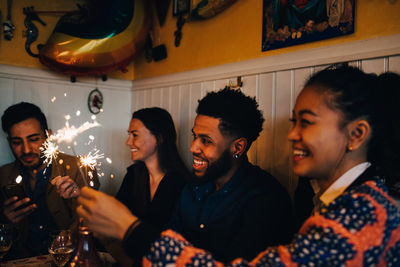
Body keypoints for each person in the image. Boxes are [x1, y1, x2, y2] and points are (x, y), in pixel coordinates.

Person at [143, 65, 400, 266]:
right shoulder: (329, 198)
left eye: (307, 122)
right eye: (294, 122)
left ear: (356, 135)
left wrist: (129, 230)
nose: (291, 135)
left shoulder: (362, 212)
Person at [77, 88, 293, 263]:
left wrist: (128, 226)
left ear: (237, 147)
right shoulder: (192, 187)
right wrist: (111, 238)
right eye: (194, 137)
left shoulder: (264, 197)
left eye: (206, 141)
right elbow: (162, 251)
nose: (192, 147)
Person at [0, 102, 99, 259]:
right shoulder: (3, 175)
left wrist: (77, 198)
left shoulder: (80, 169)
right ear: (8, 141)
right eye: (17, 142)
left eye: (33, 139)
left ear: (49, 135)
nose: (26, 150)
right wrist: (6, 222)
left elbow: (92, 218)